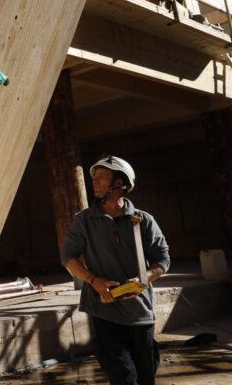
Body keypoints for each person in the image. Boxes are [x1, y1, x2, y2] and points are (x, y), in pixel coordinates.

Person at [61, 155, 170, 385]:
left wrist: (144, 279)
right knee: (122, 377)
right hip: (104, 311)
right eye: (94, 178)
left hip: (141, 313)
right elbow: (68, 258)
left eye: (101, 177)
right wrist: (93, 280)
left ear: (119, 182)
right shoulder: (84, 221)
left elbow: (163, 260)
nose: (94, 182)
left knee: (146, 377)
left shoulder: (143, 221)